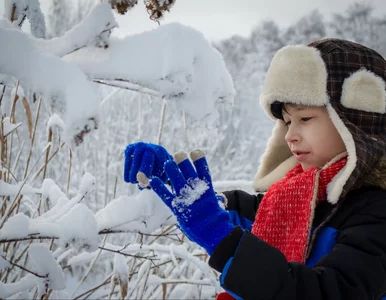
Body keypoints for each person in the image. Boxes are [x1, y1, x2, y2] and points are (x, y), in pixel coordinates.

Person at [123, 38, 386, 300]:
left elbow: (324, 293)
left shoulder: (377, 214)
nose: (290, 135)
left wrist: (222, 239)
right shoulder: (296, 198)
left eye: (305, 118)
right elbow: (226, 211)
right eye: (287, 122)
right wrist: (173, 179)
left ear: (353, 123)